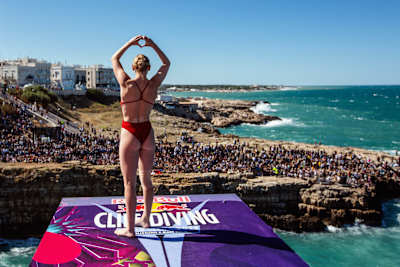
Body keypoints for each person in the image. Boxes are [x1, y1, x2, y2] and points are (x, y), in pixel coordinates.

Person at [111, 35, 170, 238]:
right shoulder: (154, 85)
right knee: (146, 178)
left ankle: (130, 229)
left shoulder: (125, 83)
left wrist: (130, 43)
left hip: (130, 131)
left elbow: (114, 59)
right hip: (147, 131)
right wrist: (152, 44)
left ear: (134, 67)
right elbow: (167, 63)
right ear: (148, 68)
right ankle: (145, 218)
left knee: (129, 183)